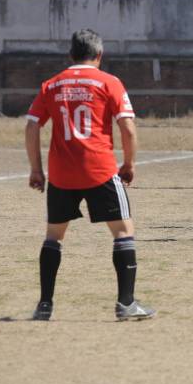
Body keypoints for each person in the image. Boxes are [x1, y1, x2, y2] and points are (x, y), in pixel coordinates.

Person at [25, 29, 155, 321]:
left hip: (60, 174)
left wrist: (36, 169)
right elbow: (128, 127)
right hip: (100, 170)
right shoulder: (110, 82)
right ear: (99, 55)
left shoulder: (52, 85)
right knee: (123, 232)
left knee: (54, 237)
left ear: (71, 54)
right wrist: (129, 164)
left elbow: (32, 125)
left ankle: (44, 305)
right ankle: (126, 304)